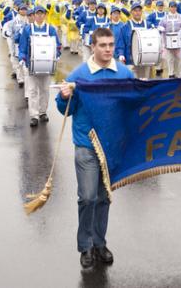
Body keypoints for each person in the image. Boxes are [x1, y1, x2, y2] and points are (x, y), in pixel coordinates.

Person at [57, 27, 134, 269]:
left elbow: (132, 105)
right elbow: (64, 110)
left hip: (111, 146)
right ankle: (85, 245)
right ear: (93, 46)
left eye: (111, 45)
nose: (108, 49)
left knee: (103, 198)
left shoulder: (123, 73)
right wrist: (63, 96)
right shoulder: (79, 74)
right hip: (86, 146)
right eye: (103, 45)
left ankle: (100, 243)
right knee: (87, 197)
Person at [19, 6, 61, 127]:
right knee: (32, 90)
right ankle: (34, 115)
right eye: (37, 14)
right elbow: (22, 46)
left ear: (45, 15)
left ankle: (43, 112)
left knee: (45, 90)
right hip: (31, 64)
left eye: (42, 14)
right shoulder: (28, 29)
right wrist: (22, 58)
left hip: (46, 65)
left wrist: (57, 56)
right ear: (34, 15)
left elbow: (57, 46)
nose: (39, 16)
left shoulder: (51, 29)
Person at [117, 2, 154, 79]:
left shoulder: (149, 25)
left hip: (145, 60)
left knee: (144, 82)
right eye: (135, 10)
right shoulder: (125, 26)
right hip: (130, 60)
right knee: (132, 83)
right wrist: (121, 54)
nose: (137, 13)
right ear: (131, 12)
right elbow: (121, 43)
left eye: (139, 10)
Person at [159, 1, 181, 78]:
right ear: (169, 8)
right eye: (171, 7)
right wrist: (161, 28)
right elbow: (160, 26)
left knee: (179, 58)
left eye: (174, 7)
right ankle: (171, 73)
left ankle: (178, 73)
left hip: (178, 41)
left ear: (176, 8)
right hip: (168, 40)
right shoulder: (165, 17)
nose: (173, 8)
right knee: (170, 58)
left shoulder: (180, 17)